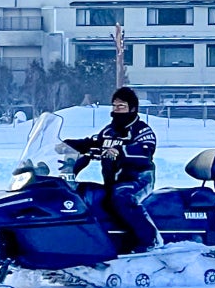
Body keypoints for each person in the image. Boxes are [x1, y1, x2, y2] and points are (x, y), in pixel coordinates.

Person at [64, 87, 159, 253]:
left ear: (133, 108)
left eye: (121, 106)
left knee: (121, 197)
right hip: (113, 182)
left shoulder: (143, 131)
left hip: (138, 179)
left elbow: (145, 150)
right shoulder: (109, 131)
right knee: (85, 193)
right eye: (114, 106)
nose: (116, 110)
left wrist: (120, 151)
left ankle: (149, 240)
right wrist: (66, 145)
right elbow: (91, 142)